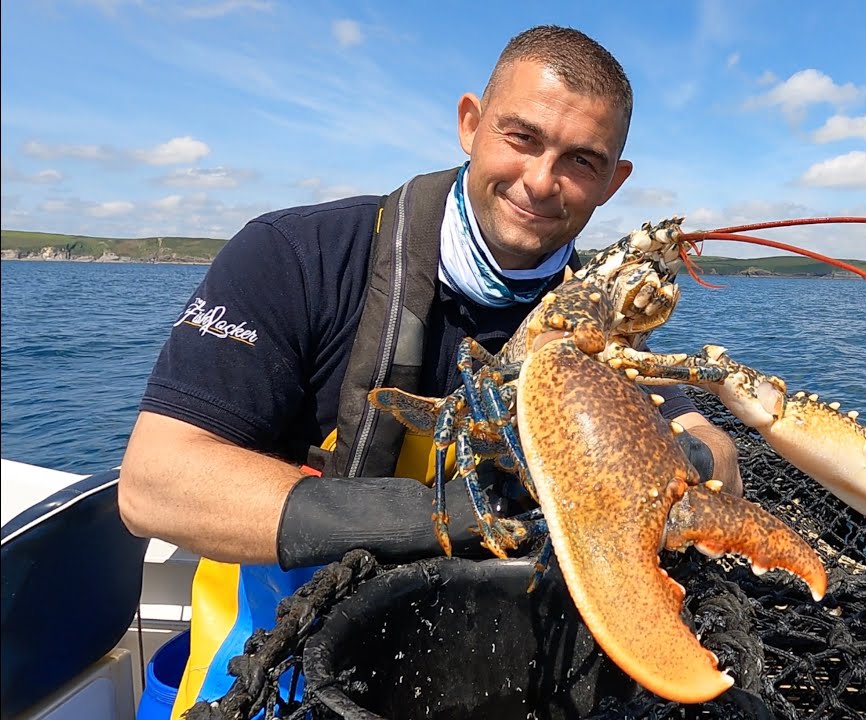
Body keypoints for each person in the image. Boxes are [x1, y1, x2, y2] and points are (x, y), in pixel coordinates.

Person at [117, 24, 741, 715]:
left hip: (495, 679)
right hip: (272, 671)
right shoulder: (296, 255)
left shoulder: (594, 317)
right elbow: (154, 485)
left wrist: (695, 455)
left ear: (612, 182)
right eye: (521, 137)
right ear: (470, 124)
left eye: (581, 161)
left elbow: (706, 439)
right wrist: (449, 515)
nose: (541, 181)